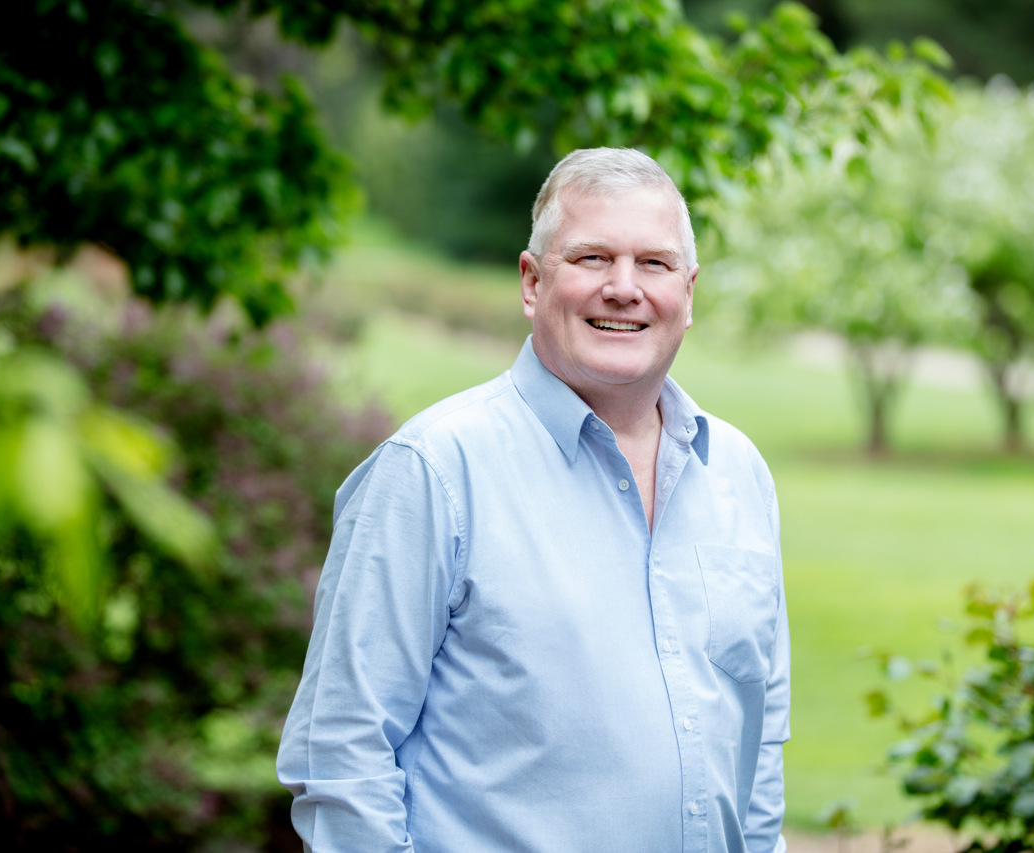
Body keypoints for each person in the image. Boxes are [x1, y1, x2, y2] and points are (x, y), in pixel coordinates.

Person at [277, 147, 790, 852]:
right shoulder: (432, 472)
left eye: (655, 264)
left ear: (689, 291)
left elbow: (757, 747)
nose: (624, 287)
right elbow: (343, 752)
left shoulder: (738, 474)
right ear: (531, 281)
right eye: (591, 259)